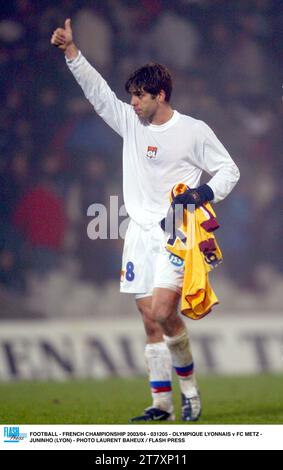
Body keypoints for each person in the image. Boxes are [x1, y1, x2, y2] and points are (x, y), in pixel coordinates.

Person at [51, 19, 240, 422]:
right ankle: (161, 405)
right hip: (137, 231)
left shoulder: (193, 131)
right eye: (131, 97)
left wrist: (202, 194)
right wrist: (72, 54)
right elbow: (98, 95)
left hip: (176, 232)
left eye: (139, 96)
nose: (133, 103)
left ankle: (189, 390)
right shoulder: (131, 125)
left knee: (161, 311)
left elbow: (228, 171)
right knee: (149, 321)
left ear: (161, 94)